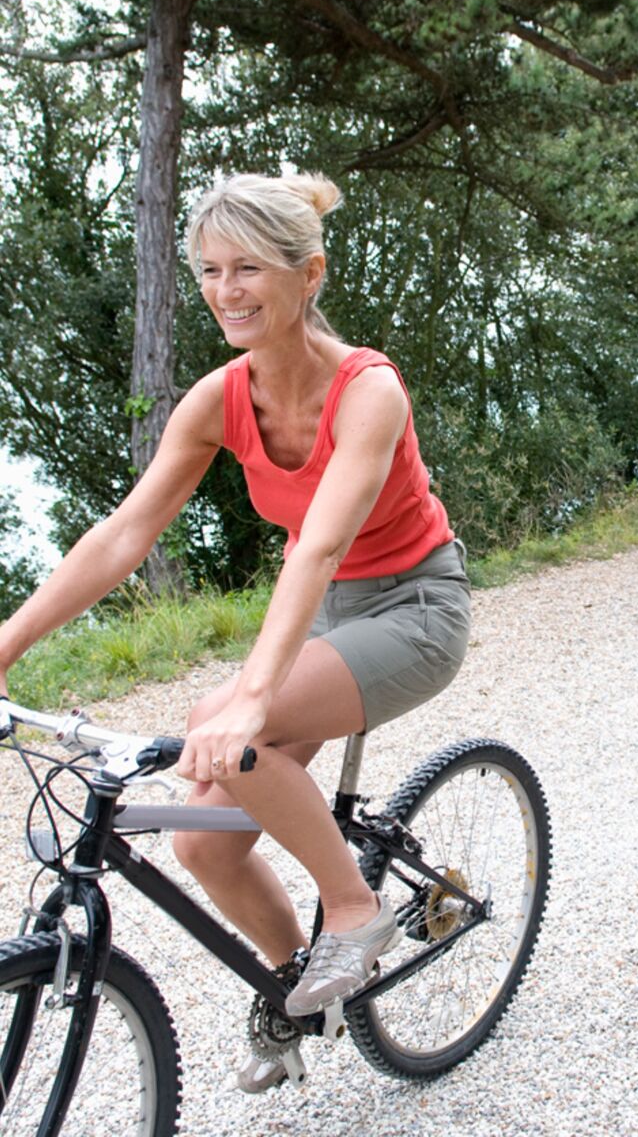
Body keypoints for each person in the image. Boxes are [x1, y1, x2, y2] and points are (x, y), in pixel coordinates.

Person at [0, 172, 471, 1093]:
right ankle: (302, 987)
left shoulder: (367, 389)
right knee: (204, 840)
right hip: (325, 616)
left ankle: (354, 905)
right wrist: (6, 641)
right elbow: (124, 535)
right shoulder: (219, 399)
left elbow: (322, 543)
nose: (226, 291)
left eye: (248, 268)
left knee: (231, 728)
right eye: (210, 271)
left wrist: (252, 692)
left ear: (310, 275)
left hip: (413, 608)